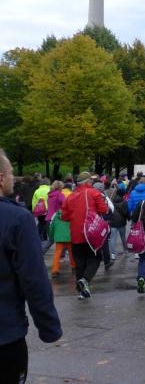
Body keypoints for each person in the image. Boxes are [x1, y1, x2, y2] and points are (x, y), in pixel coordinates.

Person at [0, 150, 62, 383]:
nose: (13, 179)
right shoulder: (16, 218)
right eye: (11, 174)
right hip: (5, 336)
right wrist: (49, 327)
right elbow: (34, 280)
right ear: (1, 179)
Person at [60, 171, 110, 299]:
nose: (92, 182)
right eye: (91, 180)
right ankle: (85, 280)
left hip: (75, 234)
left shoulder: (70, 196)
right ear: (87, 182)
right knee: (96, 258)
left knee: (79, 263)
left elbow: (64, 216)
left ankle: (82, 291)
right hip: (90, 233)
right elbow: (104, 210)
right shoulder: (93, 193)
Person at [107, 187, 129, 259]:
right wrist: (128, 217)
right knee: (123, 237)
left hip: (113, 221)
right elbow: (126, 213)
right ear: (123, 194)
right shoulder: (124, 202)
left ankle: (113, 254)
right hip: (121, 222)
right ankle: (125, 251)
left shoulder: (111, 201)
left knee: (113, 238)